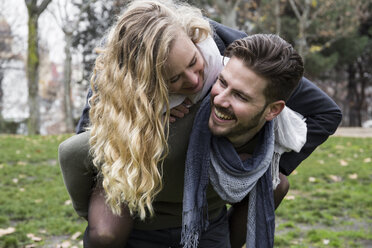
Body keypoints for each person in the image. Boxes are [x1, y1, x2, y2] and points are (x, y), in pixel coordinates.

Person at [58, 0, 342, 247]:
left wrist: (259, 161)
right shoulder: (117, 75)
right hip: (140, 169)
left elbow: (325, 113)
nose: (194, 81)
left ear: (194, 38)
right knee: (105, 231)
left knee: (275, 183)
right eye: (173, 80)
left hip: (207, 188)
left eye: (194, 62)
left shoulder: (236, 55)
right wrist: (150, 115)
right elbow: (86, 144)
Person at [181, 33, 305, 248]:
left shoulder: (281, 139)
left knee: (278, 184)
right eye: (222, 82)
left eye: (240, 96)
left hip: (212, 228)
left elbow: (329, 113)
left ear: (273, 110)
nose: (219, 99)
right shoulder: (178, 111)